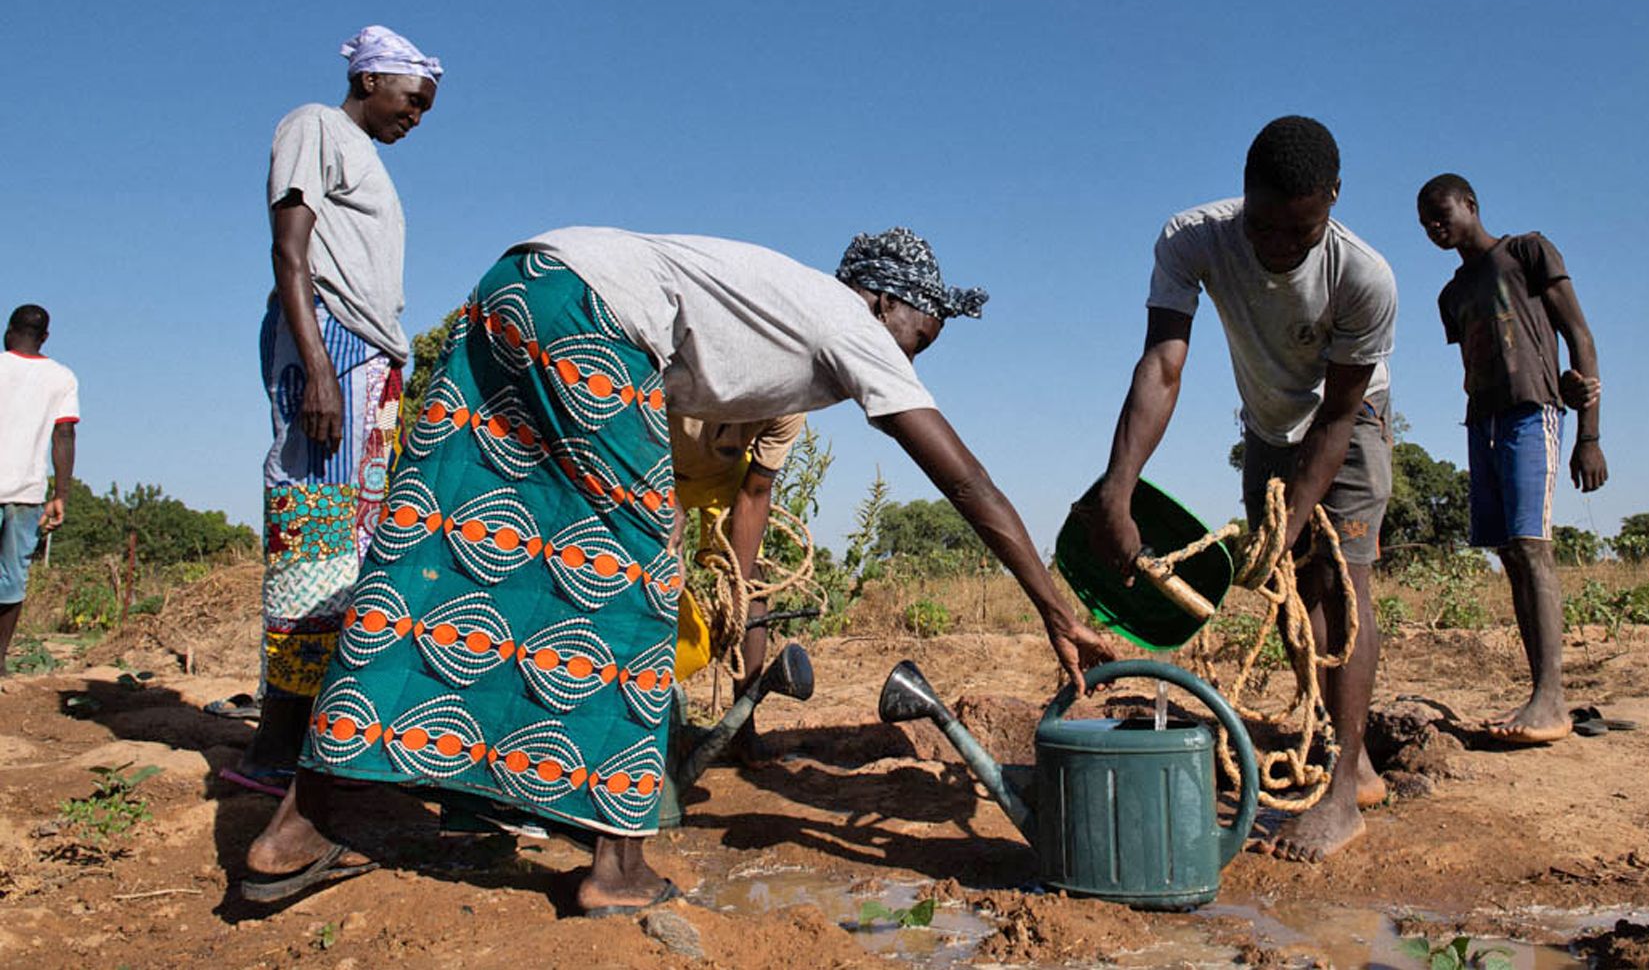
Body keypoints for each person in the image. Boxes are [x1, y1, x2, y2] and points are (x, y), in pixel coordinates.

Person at [241, 226, 1120, 911]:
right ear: (886, 301)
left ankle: (302, 825)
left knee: (445, 544)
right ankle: (617, 864)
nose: (911, 357)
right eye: (918, 336)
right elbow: (963, 477)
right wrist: (1052, 606)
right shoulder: (851, 322)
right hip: (591, 317)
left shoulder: (787, 302)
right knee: (626, 582)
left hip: (515, 284)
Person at [1087, 116, 1396, 862]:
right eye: (1264, 227)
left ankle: (1346, 786)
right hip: (1267, 425)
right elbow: (1163, 364)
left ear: (1333, 200)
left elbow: (1339, 416)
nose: (1280, 247)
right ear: (1244, 193)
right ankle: (1332, 742)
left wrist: (1290, 521)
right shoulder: (1193, 238)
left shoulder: (1363, 277)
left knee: (1341, 586)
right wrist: (1118, 488)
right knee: (1291, 590)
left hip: (1345, 423)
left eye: (1302, 230)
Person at [232, 26, 442, 795]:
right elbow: (290, 250)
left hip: (366, 358)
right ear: (372, 81)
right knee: (314, 533)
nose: (415, 116)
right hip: (330, 347)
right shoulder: (314, 125)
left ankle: (319, 736)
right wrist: (317, 367)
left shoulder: (368, 160)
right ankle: (275, 749)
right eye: (412, 101)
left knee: (351, 547)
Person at [1416, 173, 1606, 743]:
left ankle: (1552, 699)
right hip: (1484, 423)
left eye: (1441, 212)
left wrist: (1589, 436)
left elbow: (1580, 337)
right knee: (1510, 554)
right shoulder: (1451, 296)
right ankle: (1540, 692)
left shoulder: (1526, 252)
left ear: (1471, 205)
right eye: (1423, 221)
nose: (1433, 225)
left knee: (1532, 546)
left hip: (1533, 412)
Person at [668, 411, 808, 760]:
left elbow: (756, 490)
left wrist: (739, 588)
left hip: (728, 477)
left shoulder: (791, 400)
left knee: (752, 589)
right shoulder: (681, 362)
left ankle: (742, 730)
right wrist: (668, 512)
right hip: (655, 463)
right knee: (650, 578)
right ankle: (643, 719)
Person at [0, 306, 79, 671]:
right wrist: (60, 494)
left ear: (8, 331)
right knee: (12, 580)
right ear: (45, 336)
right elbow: (63, 435)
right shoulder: (61, 378)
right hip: (27, 492)